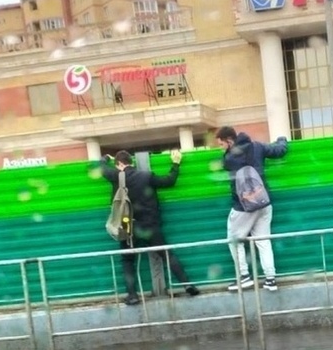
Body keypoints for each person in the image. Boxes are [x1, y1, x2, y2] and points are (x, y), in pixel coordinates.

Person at [100, 149, 200, 304]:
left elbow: (102, 169)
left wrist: (105, 158)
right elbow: (169, 181)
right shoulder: (146, 176)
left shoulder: (115, 176)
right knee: (167, 255)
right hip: (150, 223)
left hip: (127, 224)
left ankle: (132, 295)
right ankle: (188, 285)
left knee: (127, 260)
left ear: (119, 164)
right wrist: (175, 163)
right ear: (131, 162)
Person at [215, 126, 288, 291]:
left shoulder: (228, 159)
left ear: (229, 141)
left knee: (234, 240)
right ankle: (270, 279)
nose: (221, 148)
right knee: (263, 241)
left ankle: (244, 276)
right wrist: (282, 139)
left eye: (221, 144)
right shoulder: (258, 147)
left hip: (243, 207)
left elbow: (225, 163)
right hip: (263, 202)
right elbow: (279, 151)